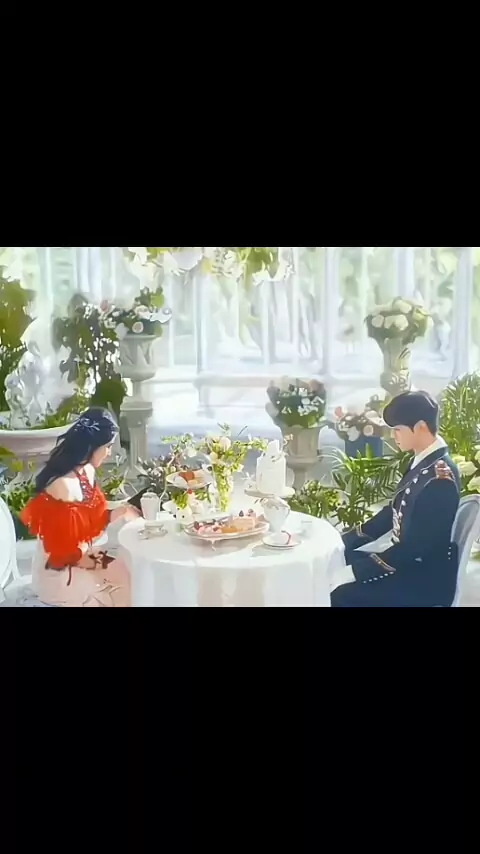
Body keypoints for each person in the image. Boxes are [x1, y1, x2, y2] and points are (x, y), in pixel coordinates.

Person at [331, 391, 460, 608]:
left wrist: (357, 572)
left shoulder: (439, 479)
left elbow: (414, 547)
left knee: (339, 593)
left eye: (398, 429)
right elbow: (392, 511)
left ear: (420, 427)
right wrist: (346, 539)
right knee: (340, 557)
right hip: (410, 565)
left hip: (425, 581)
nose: (393, 436)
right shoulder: (424, 462)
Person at [20, 408, 139, 607]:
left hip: (79, 556)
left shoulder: (87, 471)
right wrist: (94, 562)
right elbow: (60, 555)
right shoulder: (63, 486)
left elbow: (91, 520)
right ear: (93, 446)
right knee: (116, 589)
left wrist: (121, 511)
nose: (109, 453)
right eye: (108, 447)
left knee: (129, 572)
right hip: (58, 574)